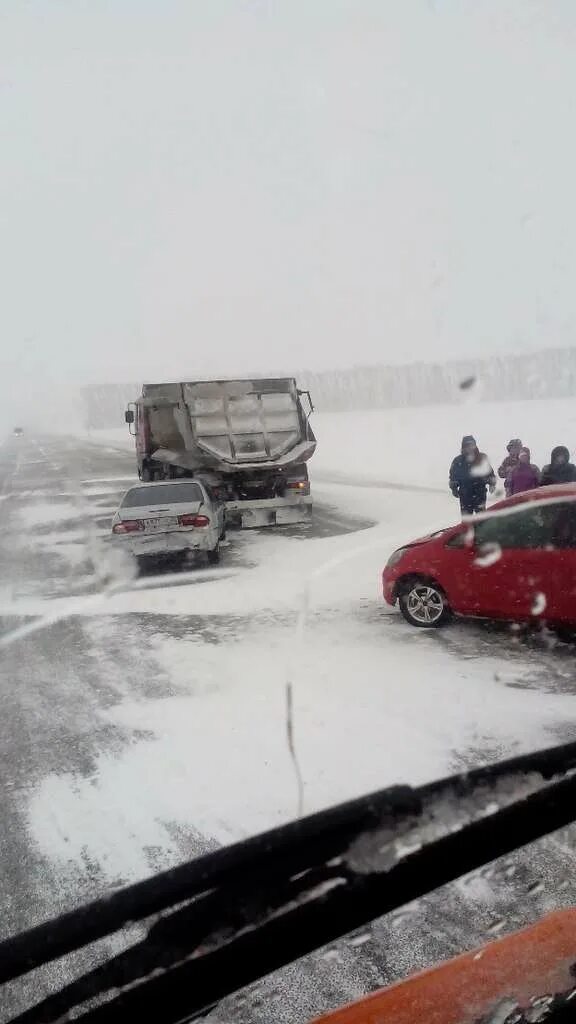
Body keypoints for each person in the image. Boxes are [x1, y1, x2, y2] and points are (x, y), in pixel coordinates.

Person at [449, 435, 496, 516]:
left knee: (481, 516)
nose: (469, 447)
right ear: (463, 447)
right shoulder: (458, 460)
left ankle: (481, 524)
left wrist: (492, 484)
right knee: (467, 518)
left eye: (471, 445)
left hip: (480, 492)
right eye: (467, 445)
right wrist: (454, 488)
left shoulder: (482, 458)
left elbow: (490, 473)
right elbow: (453, 476)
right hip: (465, 493)